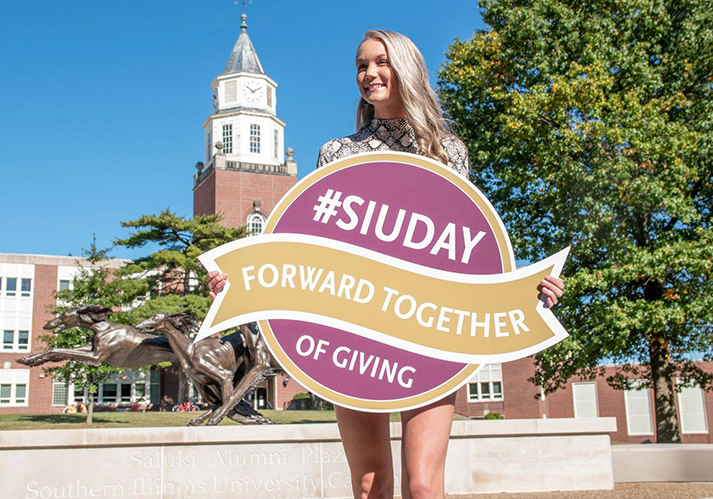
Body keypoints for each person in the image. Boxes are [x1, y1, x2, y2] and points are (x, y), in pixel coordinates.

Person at [207, 30, 565, 499]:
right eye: (361, 65)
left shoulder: (447, 153)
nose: (369, 74)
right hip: (353, 332)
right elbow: (306, 250)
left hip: (428, 331)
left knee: (422, 485)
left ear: (407, 70)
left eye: (381, 62)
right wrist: (241, 282)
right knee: (370, 485)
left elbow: (467, 251)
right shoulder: (338, 155)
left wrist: (527, 294)